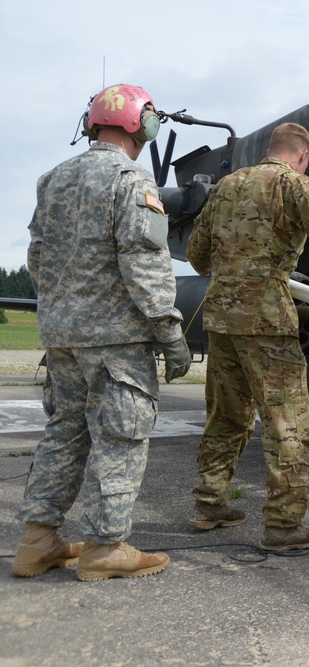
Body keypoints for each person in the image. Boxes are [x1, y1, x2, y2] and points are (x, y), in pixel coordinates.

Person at [13, 84, 190, 581]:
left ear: (92, 124)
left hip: (62, 338)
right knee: (120, 437)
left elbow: (37, 257)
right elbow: (143, 259)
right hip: (116, 343)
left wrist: (61, 312)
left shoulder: (53, 179)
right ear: (142, 123)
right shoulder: (131, 179)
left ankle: (37, 542)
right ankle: (105, 547)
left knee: (64, 434)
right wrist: (168, 329)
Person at [186, 122, 309, 552]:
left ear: (270, 150)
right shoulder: (295, 185)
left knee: (226, 416)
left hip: (221, 320)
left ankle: (209, 503)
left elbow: (197, 257)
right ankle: (284, 526)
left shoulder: (226, 186)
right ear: (303, 156)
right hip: (267, 319)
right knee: (286, 422)